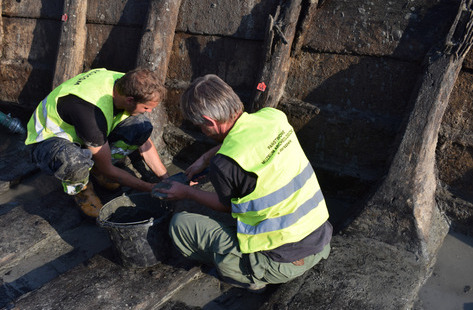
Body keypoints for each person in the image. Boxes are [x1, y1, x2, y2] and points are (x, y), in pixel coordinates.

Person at [156, 74, 332, 291]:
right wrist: (204, 158)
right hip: (321, 240)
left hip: (280, 264)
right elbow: (245, 136)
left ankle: (250, 274)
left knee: (180, 225)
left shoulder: (225, 164)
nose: (203, 132)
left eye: (201, 127)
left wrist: (186, 192)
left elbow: (226, 207)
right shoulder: (273, 117)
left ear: (209, 121)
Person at [25, 67, 169, 218]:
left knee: (141, 126)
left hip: (87, 132)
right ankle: (82, 190)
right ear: (130, 100)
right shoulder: (90, 112)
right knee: (74, 162)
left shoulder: (126, 83)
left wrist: (166, 179)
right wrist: (150, 188)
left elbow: (145, 143)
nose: (150, 111)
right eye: (146, 107)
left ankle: (96, 168)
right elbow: (108, 168)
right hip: (48, 141)